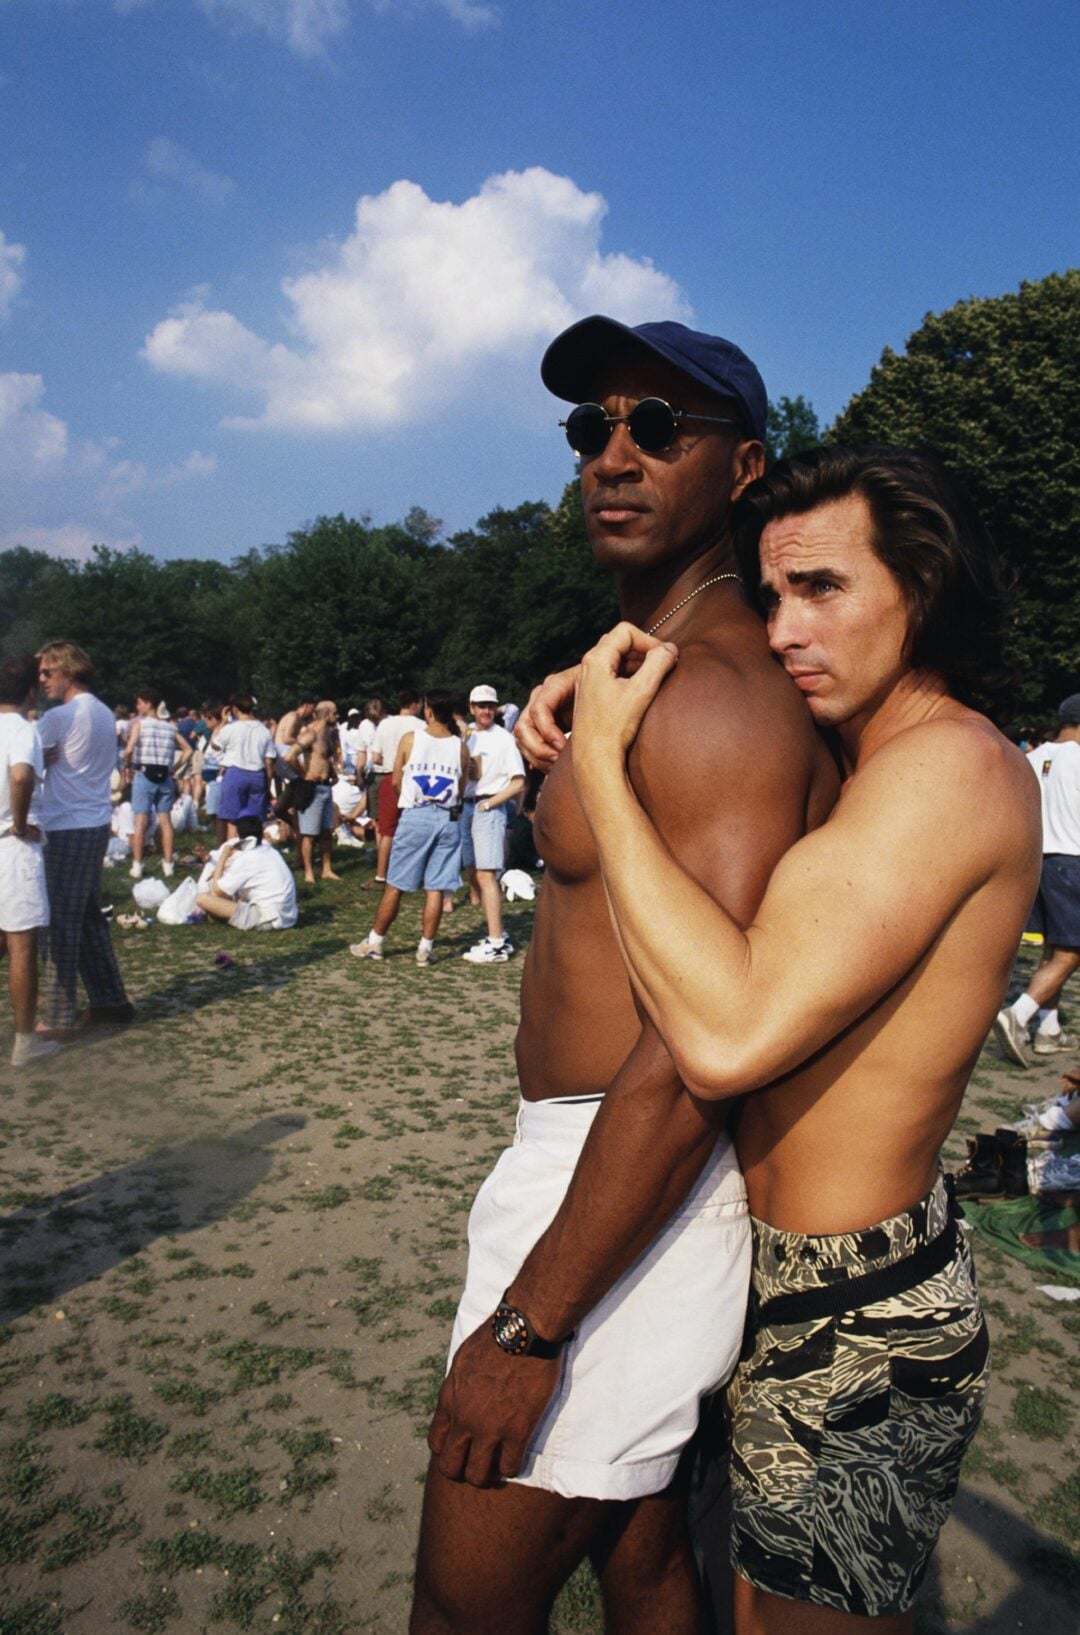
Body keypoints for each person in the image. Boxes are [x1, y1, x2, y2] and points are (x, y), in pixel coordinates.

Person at [546, 445, 1041, 1629]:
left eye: (821, 588)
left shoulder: (950, 772)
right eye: (771, 595)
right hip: (781, 1280)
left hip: (858, 1309)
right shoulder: (870, 761)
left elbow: (727, 1037)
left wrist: (605, 767)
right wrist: (573, 698)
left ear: (921, 590)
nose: (781, 629)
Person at [412, 316, 837, 1635]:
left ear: (747, 465)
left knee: (463, 1604)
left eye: (658, 427)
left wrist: (529, 1325)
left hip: (627, 1181)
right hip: (598, 1166)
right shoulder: (640, 670)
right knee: (644, 1564)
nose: (613, 453)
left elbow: (699, 1039)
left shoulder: (713, 692)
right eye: (591, 428)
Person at [34, 640, 133, 1035]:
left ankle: (58, 1016)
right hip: (93, 822)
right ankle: (111, 1000)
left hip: (65, 825)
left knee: (60, 922)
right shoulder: (104, 712)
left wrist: (40, 757)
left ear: (69, 671)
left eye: (48, 672)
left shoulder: (58, 717)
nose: (41, 680)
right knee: (88, 916)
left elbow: (19, 766)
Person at [993, 692, 1080, 1066]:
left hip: (1039, 862)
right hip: (1074, 860)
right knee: (1071, 954)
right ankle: (1019, 1014)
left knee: (1051, 951)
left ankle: (1048, 1030)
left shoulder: (1034, 756)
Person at [351, 690, 468, 967]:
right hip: (449, 817)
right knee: (436, 887)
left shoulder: (411, 739)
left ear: (427, 711)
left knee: (395, 884)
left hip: (417, 813)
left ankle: (375, 941)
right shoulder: (460, 747)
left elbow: (396, 779)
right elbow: (461, 788)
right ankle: (425, 948)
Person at [0, 654, 59, 1068]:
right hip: (11, 843)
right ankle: (25, 1041)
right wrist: (20, 824)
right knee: (22, 944)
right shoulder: (23, 729)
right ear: (31, 692)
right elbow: (19, 776)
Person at [461, 684, 526, 964]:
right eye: (481, 705)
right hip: (468, 807)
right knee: (477, 873)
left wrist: (490, 804)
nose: (486, 710)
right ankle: (495, 935)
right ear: (472, 708)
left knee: (488, 876)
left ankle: (497, 942)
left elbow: (519, 782)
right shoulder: (469, 737)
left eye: (490, 706)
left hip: (488, 808)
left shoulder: (504, 739)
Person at [122, 687, 192, 879]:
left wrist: (127, 764)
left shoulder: (140, 725)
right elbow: (187, 749)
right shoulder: (170, 727)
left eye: (139, 703)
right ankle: (168, 864)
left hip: (144, 774)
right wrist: (175, 768)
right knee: (166, 822)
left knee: (140, 822)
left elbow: (128, 750)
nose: (137, 707)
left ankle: (137, 865)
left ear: (148, 704)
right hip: (165, 777)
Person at [195, 818, 298, 931]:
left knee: (202, 899)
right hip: (288, 916)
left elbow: (217, 891)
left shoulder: (247, 858)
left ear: (238, 836)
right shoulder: (271, 851)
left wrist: (223, 857)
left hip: (267, 919)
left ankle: (218, 917)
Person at [370, 690, 424, 885]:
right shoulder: (422, 726)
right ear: (416, 704)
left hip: (388, 776)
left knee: (387, 830)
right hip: (413, 778)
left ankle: (381, 874)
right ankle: (414, 872)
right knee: (415, 827)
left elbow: (375, 757)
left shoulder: (385, 724)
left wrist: (392, 760)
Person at [285, 701, 342, 884]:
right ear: (326, 715)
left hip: (326, 787)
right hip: (313, 788)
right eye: (335, 713)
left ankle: (327, 869)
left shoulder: (329, 734)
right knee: (309, 834)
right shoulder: (311, 734)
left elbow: (324, 757)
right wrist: (304, 774)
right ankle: (309, 873)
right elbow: (290, 756)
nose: (338, 716)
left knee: (327, 832)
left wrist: (332, 773)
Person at [212, 694, 274, 837]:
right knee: (255, 820)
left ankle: (234, 853)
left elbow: (215, 744)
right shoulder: (264, 730)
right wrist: (268, 784)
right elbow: (269, 761)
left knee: (233, 820)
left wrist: (222, 721)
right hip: (257, 775)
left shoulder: (232, 728)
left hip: (235, 773)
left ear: (234, 709)